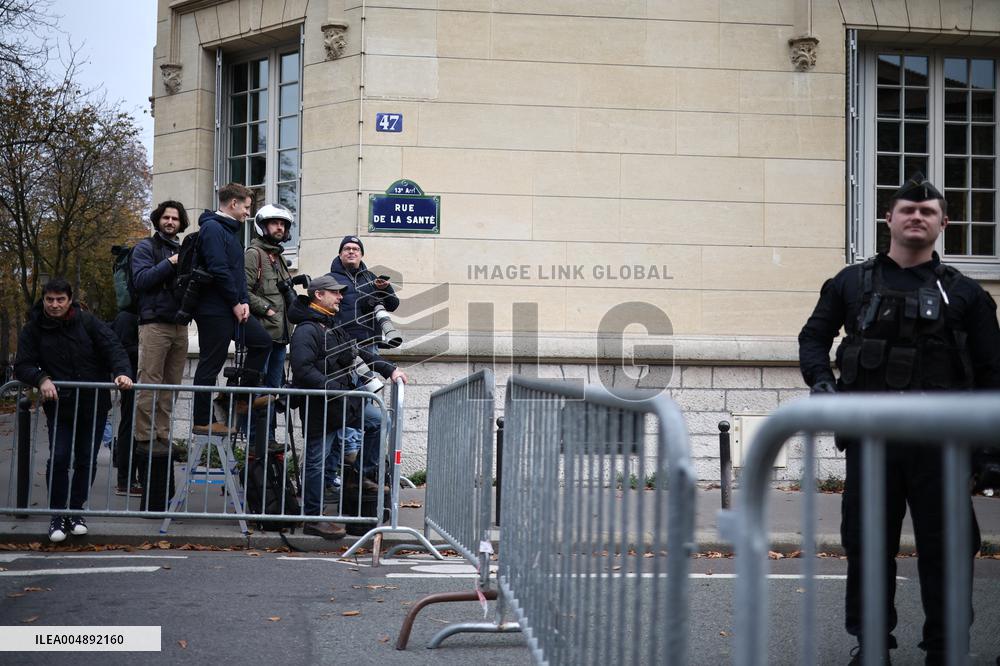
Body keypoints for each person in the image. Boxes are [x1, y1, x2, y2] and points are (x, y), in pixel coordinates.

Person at [798, 173, 1000, 665]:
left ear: (943, 224)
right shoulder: (851, 283)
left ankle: (945, 649)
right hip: (873, 444)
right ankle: (871, 648)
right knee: (868, 551)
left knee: (948, 555)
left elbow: (993, 375)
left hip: (944, 449)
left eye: (928, 211)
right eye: (908, 209)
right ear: (888, 218)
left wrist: (990, 455)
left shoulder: (968, 295)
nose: (917, 216)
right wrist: (825, 387)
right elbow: (812, 339)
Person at [14, 278, 133, 542]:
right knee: (59, 457)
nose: (54, 305)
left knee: (86, 459)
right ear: (43, 299)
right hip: (60, 407)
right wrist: (41, 378)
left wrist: (122, 373)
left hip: (93, 404)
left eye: (60, 300)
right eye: (49, 299)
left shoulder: (88, 322)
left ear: (70, 300)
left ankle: (75, 511)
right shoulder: (34, 328)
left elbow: (114, 348)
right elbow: (22, 365)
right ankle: (57, 515)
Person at [288, 275, 407, 539]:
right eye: (335, 293)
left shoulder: (331, 324)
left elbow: (358, 353)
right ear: (319, 295)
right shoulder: (307, 329)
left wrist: (390, 369)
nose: (341, 297)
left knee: (378, 421)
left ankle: (358, 476)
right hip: (321, 406)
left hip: (342, 403)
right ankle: (313, 517)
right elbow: (303, 370)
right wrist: (337, 390)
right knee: (317, 462)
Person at [190, 183, 271, 435]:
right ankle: (202, 420)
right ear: (233, 204)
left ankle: (239, 399)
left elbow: (236, 274)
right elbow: (218, 269)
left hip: (233, 307)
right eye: (246, 207)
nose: (248, 213)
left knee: (261, 342)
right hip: (214, 309)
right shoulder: (213, 228)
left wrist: (244, 301)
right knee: (210, 364)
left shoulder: (229, 231)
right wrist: (236, 302)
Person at [328, 235, 400, 485]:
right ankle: (346, 459)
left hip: (369, 349)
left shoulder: (372, 278)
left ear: (361, 254)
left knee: (370, 401)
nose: (351, 252)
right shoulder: (331, 279)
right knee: (347, 405)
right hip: (341, 351)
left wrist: (384, 289)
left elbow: (393, 304)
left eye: (356, 249)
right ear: (340, 254)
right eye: (347, 249)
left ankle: (359, 470)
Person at [131, 201, 189, 508]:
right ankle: (145, 439)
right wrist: (172, 263)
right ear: (158, 220)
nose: (170, 221)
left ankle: (163, 437)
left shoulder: (183, 248)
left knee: (170, 386)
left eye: (175, 218)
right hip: (154, 323)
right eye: (165, 217)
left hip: (180, 325)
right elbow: (140, 282)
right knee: (149, 383)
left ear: (181, 223)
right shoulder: (145, 247)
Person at [243, 204, 297, 453]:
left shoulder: (278, 257)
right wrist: (267, 310)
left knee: (273, 392)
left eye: (283, 224)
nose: (280, 227)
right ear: (263, 226)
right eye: (275, 223)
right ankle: (256, 441)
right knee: (260, 390)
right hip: (263, 335)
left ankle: (269, 439)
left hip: (280, 338)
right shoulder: (254, 253)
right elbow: (243, 290)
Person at [109, 309, 141, 496]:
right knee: (130, 426)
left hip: (135, 378)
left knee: (135, 426)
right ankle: (126, 480)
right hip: (131, 380)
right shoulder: (127, 317)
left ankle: (131, 478)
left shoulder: (132, 316)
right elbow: (121, 351)